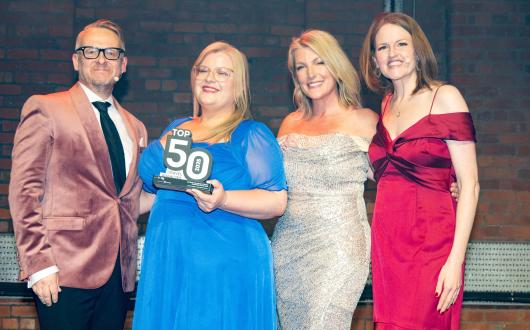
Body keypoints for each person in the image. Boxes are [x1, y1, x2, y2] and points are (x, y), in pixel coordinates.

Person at [132, 41, 287, 330]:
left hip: (223, 261)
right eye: (203, 70)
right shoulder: (176, 127)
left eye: (222, 73)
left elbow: (276, 201)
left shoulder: (251, 134)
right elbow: (153, 196)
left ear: (239, 85)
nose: (209, 78)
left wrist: (223, 199)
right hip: (170, 255)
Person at [9, 19, 147, 330]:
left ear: (123, 65)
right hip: (63, 269)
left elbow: (127, 200)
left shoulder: (135, 126)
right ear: (76, 60)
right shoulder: (45, 109)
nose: (101, 58)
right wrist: (39, 265)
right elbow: (24, 191)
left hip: (118, 277)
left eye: (111, 53)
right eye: (91, 51)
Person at [359, 12, 480, 329]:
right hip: (387, 241)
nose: (392, 53)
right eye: (382, 47)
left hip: (432, 242)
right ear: (374, 60)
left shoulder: (445, 97)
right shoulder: (385, 105)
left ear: (418, 50)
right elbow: (386, 173)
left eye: (401, 43)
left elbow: (471, 186)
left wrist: (455, 261)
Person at [271, 29, 378, 329]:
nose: (310, 74)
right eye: (301, 67)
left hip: (340, 248)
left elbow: (396, 178)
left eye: (319, 63)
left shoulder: (364, 120)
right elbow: (273, 187)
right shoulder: (290, 123)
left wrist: (445, 185)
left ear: (335, 65)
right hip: (288, 247)